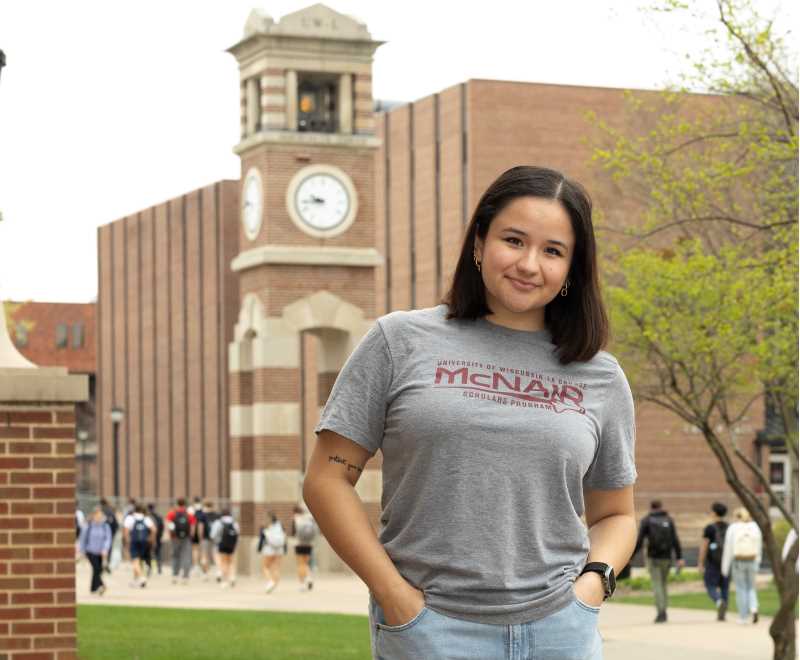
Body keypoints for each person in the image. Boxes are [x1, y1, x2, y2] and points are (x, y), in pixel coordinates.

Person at [304, 165, 638, 659]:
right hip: (431, 630)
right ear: (479, 242)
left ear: (572, 269)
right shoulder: (399, 342)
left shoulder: (600, 376)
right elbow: (326, 480)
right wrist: (395, 597)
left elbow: (616, 514)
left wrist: (593, 587)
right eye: (514, 240)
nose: (529, 264)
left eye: (553, 251)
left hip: (559, 633)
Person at [634, 500, 684, 623]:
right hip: (667, 557)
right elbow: (675, 540)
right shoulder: (669, 520)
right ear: (661, 507)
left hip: (653, 557)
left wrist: (631, 556)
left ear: (651, 507)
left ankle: (661, 612)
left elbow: (640, 540)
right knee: (663, 584)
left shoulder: (647, 520)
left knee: (657, 585)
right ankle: (664, 609)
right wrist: (679, 557)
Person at [722, 507, 763, 624]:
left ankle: (743, 616)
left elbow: (728, 549)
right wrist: (758, 562)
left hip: (738, 561)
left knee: (741, 588)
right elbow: (759, 547)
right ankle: (754, 607)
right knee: (751, 587)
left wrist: (725, 568)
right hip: (753, 560)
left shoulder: (733, 528)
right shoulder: (755, 527)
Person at [697, 501, 730, 621]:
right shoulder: (729, 527)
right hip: (726, 561)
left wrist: (700, 563)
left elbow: (704, 546)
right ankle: (723, 613)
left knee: (710, 585)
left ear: (714, 513)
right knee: (725, 587)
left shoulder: (709, 528)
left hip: (712, 562)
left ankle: (718, 600)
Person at [79, 506, 112, 595]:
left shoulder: (105, 526)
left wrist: (105, 549)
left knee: (97, 570)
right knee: (97, 568)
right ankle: (102, 585)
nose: (98, 517)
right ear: (93, 516)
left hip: (101, 552)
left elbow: (108, 539)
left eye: (100, 516)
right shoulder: (88, 526)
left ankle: (93, 588)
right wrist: (81, 551)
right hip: (90, 551)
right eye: (97, 515)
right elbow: (83, 539)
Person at [123, 503, 155, 588]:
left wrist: (127, 541)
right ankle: (136, 580)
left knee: (135, 561)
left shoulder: (130, 518)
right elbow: (154, 529)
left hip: (134, 541)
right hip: (144, 542)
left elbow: (126, 530)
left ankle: (141, 577)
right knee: (139, 561)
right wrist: (150, 539)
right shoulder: (146, 518)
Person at [166, 497, 196, 584]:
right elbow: (192, 527)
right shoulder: (189, 515)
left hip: (175, 537)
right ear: (185, 504)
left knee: (175, 556)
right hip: (186, 538)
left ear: (177, 504)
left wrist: (169, 535)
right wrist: (191, 536)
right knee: (186, 556)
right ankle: (185, 577)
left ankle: (175, 575)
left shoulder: (172, 514)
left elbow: (168, 525)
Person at [210, 508, 239, 588]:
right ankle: (232, 577)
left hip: (221, 545)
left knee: (223, 562)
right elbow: (237, 535)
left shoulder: (218, 522)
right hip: (232, 546)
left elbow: (213, 535)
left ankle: (225, 580)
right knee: (231, 562)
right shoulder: (234, 523)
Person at [258, 512, 286, 593]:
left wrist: (259, 549)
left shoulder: (266, 527)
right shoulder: (280, 526)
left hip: (269, 550)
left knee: (265, 567)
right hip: (279, 550)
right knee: (276, 568)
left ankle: (270, 581)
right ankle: (274, 583)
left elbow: (262, 540)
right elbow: (285, 537)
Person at [292, 504, 317, 591]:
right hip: (309, 544)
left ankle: (302, 584)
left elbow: (293, 533)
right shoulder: (308, 518)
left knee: (300, 564)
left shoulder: (296, 519)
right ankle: (309, 577)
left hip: (299, 544)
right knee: (305, 563)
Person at [199, 500, 219, 582]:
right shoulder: (217, 515)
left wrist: (200, 538)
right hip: (215, 538)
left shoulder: (202, 515)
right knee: (216, 555)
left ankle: (205, 574)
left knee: (204, 556)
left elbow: (201, 527)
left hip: (205, 538)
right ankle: (218, 572)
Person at [99, 497, 119, 573]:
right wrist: (113, 534)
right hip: (109, 534)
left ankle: (101, 564)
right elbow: (116, 524)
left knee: (100, 549)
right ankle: (107, 563)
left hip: (100, 534)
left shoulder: (99, 511)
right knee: (108, 549)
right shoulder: (111, 511)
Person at [146, 503, 165, 576]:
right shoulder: (158, 517)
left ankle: (149, 569)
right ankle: (159, 568)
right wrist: (160, 536)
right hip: (157, 538)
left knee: (148, 554)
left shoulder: (147, 517)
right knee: (158, 553)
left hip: (148, 538)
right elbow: (162, 527)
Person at [189, 496, 205, 576]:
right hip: (202, 532)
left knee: (194, 549)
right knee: (201, 550)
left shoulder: (191, 510)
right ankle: (202, 566)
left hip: (194, 531)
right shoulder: (203, 510)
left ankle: (196, 566)